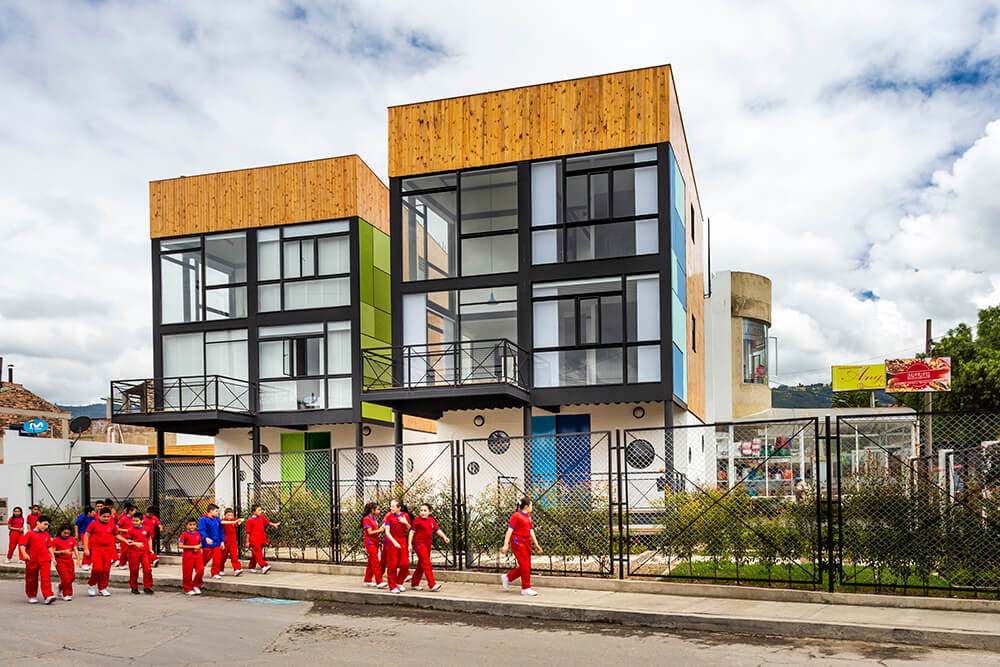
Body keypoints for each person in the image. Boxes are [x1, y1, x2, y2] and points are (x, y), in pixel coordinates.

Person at [500, 497, 542, 596]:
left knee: (526, 565)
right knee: (525, 565)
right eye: (531, 505)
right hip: (518, 541)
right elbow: (509, 530)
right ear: (526, 506)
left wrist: (536, 544)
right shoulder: (516, 516)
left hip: (526, 541)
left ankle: (508, 577)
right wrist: (505, 545)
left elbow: (531, 530)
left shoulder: (528, 516)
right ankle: (526, 588)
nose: (532, 507)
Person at [408, 503, 450, 592]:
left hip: (427, 544)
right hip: (419, 544)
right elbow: (411, 532)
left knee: (421, 564)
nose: (422, 512)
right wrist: (409, 544)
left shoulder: (431, 520)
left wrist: (444, 537)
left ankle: (414, 583)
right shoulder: (417, 520)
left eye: (425, 510)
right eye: (421, 510)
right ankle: (431, 584)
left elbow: (437, 529)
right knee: (426, 563)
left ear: (429, 512)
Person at [20, 514, 56, 604]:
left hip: (45, 560)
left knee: (46, 578)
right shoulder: (29, 534)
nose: (46, 527)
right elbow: (22, 545)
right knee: (31, 578)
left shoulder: (46, 535)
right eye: (44, 524)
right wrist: (24, 554)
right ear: (38, 523)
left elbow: (49, 546)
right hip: (32, 560)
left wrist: (53, 557)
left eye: (47, 525)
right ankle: (31, 595)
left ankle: (48, 595)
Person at [83, 506, 118, 597]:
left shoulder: (112, 524)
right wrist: (86, 548)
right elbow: (86, 535)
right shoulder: (93, 524)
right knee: (97, 568)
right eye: (104, 516)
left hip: (108, 549)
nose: (106, 518)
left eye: (108, 516)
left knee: (106, 569)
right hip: (96, 549)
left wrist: (127, 541)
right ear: (99, 516)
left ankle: (102, 587)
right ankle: (92, 584)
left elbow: (117, 535)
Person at [382, 498, 410, 593]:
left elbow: (411, 529)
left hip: (402, 539)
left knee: (405, 563)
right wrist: (394, 542)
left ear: (399, 508)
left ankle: (399, 582)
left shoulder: (405, 515)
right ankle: (392, 585)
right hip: (392, 540)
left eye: (393, 506)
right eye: (390, 506)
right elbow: (387, 532)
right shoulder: (388, 516)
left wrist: (405, 522)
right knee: (392, 564)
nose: (391, 508)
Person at [125, 513, 154, 595]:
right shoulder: (130, 530)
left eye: (136, 521)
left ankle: (147, 587)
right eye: (133, 520)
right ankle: (134, 587)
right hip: (134, 552)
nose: (134, 522)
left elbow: (149, 539)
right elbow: (129, 542)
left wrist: (150, 548)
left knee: (147, 569)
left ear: (142, 521)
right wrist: (135, 543)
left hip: (144, 551)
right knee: (134, 570)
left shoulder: (147, 529)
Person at [245, 504, 279, 574]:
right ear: (253, 512)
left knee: (256, 554)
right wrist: (247, 542)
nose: (261, 512)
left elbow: (268, 522)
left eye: (261, 510)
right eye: (259, 510)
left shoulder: (261, 517)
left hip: (261, 539)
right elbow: (248, 532)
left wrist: (274, 524)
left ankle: (251, 567)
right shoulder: (250, 520)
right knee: (258, 554)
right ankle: (264, 566)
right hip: (254, 540)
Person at [50, 524, 80, 601]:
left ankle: (60, 586)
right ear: (60, 532)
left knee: (71, 577)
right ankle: (67, 594)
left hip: (69, 560)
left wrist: (78, 560)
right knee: (66, 578)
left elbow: (75, 549)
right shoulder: (55, 540)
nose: (66, 535)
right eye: (65, 533)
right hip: (60, 561)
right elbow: (52, 551)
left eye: (68, 533)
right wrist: (62, 551)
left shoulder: (72, 539)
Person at [361, 502, 386, 588]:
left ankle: (368, 580)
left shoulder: (374, 518)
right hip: (369, 541)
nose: (379, 511)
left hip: (375, 540)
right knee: (375, 561)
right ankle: (379, 581)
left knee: (371, 560)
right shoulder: (366, 519)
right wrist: (380, 530)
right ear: (372, 510)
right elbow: (370, 532)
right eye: (377, 509)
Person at [198, 505, 225, 579]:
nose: (217, 513)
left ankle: (215, 572)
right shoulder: (203, 519)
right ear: (210, 511)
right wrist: (206, 538)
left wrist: (222, 541)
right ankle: (199, 568)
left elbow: (221, 531)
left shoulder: (217, 519)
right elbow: (201, 530)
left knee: (217, 557)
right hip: (207, 543)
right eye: (216, 511)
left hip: (216, 542)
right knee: (206, 557)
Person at [178, 518, 204, 595]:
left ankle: (196, 585)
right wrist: (193, 547)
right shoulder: (184, 534)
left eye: (194, 525)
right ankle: (188, 588)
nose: (192, 526)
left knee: (201, 570)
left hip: (198, 556)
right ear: (187, 526)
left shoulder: (197, 534)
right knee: (187, 573)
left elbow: (200, 543)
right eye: (190, 525)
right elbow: (180, 545)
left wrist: (198, 546)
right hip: (188, 557)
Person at [219, 508, 243, 576]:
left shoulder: (233, 520)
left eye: (231, 515)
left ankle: (237, 569)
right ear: (224, 515)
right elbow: (222, 522)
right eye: (228, 515)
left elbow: (241, 520)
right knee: (223, 557)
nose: (230, 517)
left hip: (233, 542)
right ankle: (220, 569)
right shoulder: (223, 521)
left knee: (234, 556)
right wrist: (233, 522)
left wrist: (239, 521)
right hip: (225, 542)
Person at [73, 506, 96, 570]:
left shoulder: (94, 518)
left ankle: (89, 563)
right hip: (84, 534)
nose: (95, 513)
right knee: (87, 548)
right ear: (89, 513)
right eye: (93, 511)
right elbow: (76, 525)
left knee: (92, 549)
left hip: (92, 534)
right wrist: (76, 534)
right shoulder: (83, 517)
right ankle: (84, 563)